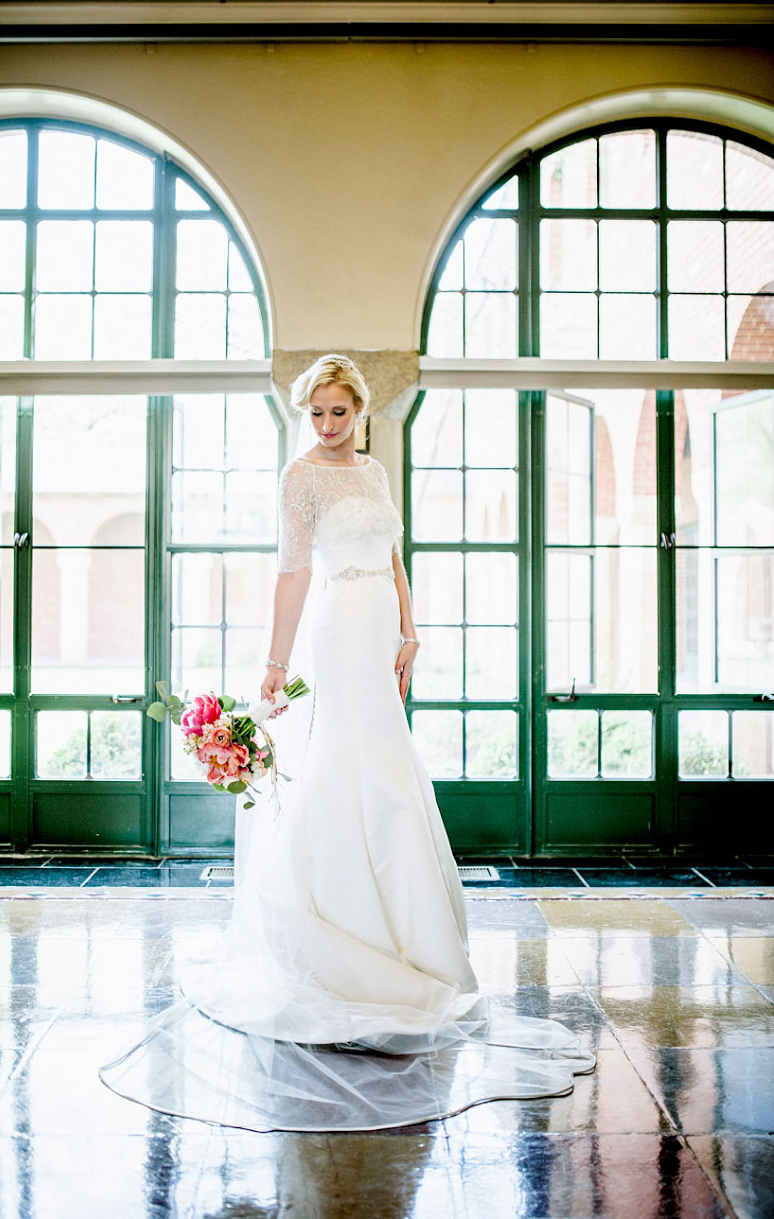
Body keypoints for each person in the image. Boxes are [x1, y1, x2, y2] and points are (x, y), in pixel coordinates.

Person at [99, 356, 594, 1132]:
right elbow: (292, 576)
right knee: (339, 767)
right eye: (318, 413)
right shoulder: (301, 478)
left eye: (340, 412)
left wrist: (409, 628)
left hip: (379, 633)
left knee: (391, 775)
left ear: (362, 409)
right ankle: (337, 933)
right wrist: (273, 664)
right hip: (332, 633)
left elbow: (395, 555)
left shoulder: (375, 470)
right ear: (308, 415)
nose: (329, 425)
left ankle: (409, 939)